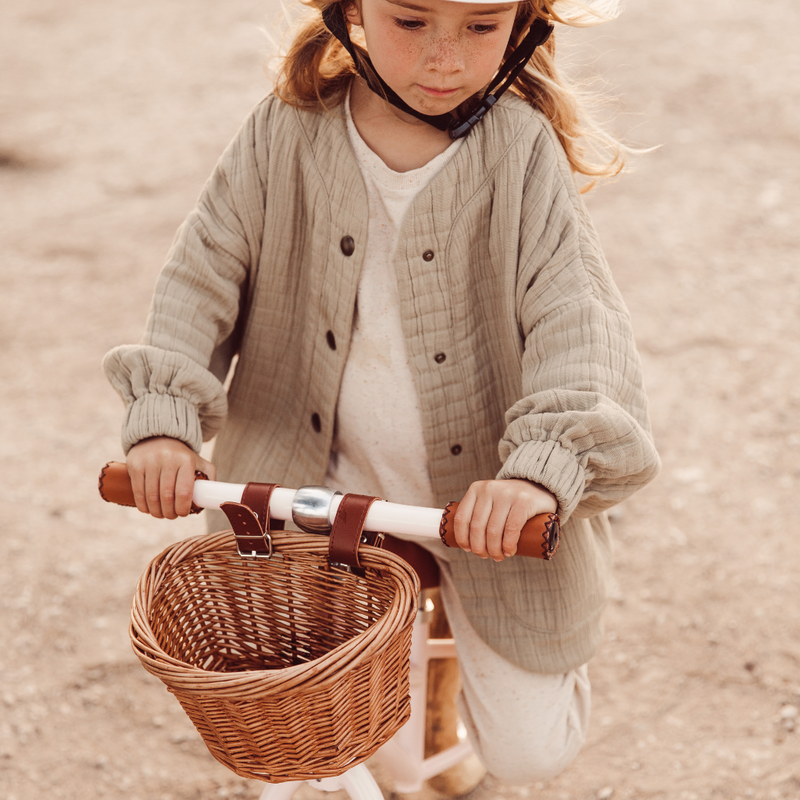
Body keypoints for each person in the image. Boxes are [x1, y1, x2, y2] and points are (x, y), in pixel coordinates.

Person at [104, 0, 659, 785]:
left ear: (524, 25)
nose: (445, 59)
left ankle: (438, 678)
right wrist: (164, 424)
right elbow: (198, 282)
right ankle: (394, 718)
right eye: (410, 22)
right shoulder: (285, 132)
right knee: (303, 730)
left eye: (480, 25)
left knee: (532, 752)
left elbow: (579, 327)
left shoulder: (520, 152)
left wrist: (538, 470)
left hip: (485, 505)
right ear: (353, 11)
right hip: (314, 482)